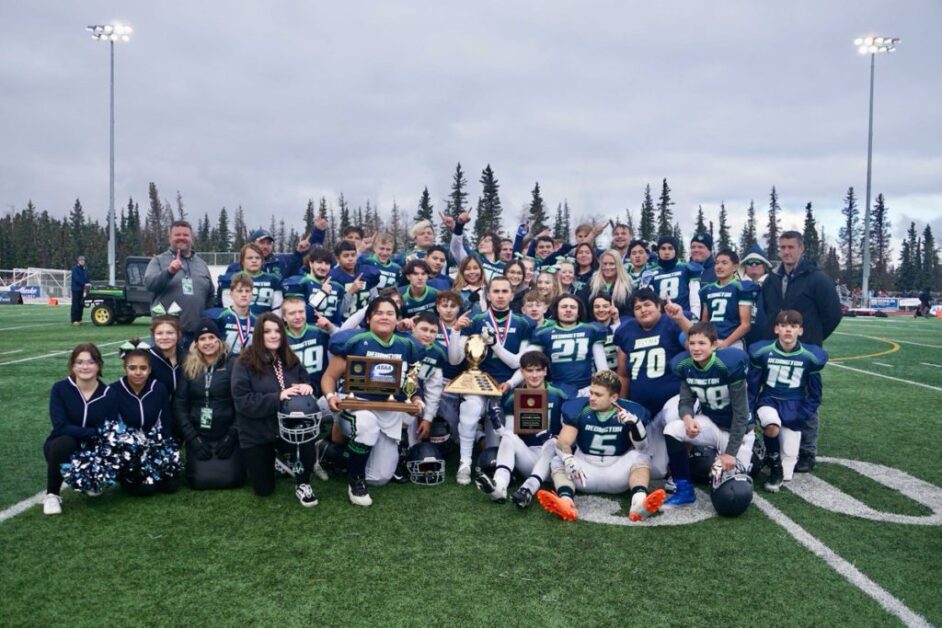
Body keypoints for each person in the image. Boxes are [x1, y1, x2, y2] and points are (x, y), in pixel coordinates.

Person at [320, 297, 424, 506]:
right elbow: (329, 376)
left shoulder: (406, 344)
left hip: (388, 409)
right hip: (356, 406)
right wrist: (331, 396)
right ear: (369, 318)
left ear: (397, 319)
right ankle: (355, 480)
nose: (385, 317)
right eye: (379, 313)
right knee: (366, 425)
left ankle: (331, 451)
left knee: (379, 477)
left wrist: (416, 399)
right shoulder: (355, 341)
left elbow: (411, 382)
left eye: (390, 313)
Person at [536, 370, 666, 522]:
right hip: (584, 473)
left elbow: (641, 447)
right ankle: (566, 502)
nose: (591, 398)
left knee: (642, 456)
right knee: (558, 460)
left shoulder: (630, 412)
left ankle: (638, 503)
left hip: (617, 472)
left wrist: (635, 425)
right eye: (591, 393)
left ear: (614, 397)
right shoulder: (579, 409)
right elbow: (563, 442)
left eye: (598, 395)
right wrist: (568, 458)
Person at [762, 230, 841, 473]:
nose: (786, 251)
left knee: (806, 398)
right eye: (783, 247)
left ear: (801, 249)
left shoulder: (817, 279)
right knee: (776, 397)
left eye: (791, 247)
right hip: (777, 352)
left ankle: (807, 451)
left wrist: (811, 340)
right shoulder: (772, 279)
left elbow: (833, 314)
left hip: (803, 352)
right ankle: (775, 449)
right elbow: (767, 311)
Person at [447, 276, 535, 485]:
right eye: (496, 291)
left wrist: (511, 382)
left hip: (508, 385)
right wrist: (455, 330)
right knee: (470, 410)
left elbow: (521, 363)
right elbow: (454, 359)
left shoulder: (524, 323)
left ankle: (499, 466)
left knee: (501, 439)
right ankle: (465, 462)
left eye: (505, 291)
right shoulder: (476, 320)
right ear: (488, 295)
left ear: (512, 295)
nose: (500, 296)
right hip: (478, 382)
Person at [231, 313, 318, 506]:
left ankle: (303, 482)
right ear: (258, 335)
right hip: (257, 432)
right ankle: (275, 461)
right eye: (267, 331)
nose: (273, 335)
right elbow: (243, 402)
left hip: (288, 428)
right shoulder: (244, 362)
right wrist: (278, 397)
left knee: (306, 437)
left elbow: (306, 380)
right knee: (264, 490)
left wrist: (308, 387)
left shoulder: (290, 357)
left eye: (278, 330)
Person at [662, 322, 752, 509]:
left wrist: (730, 453)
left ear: (714, 345)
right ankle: (684, 489)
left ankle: (753, 458)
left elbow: (741, 414)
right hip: (712, 424)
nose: (696, 348)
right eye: (692, 343)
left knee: (733, 493)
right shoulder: (686, 366)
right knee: (672, 429)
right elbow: (685, 401)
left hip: (738, 432)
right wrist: (687, 419)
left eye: (702, 343)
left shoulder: (727, 365)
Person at [614, 288, 693, 480]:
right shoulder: (626, 331)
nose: (643, 310)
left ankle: (683, 471)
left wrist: (681, 319)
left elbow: (698, 344)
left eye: (647, 304)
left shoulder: (672, 323)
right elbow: (623, 374)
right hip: (644, 407)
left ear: (659, 306)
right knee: (657, 470)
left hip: (673, 399)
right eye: (638, 307)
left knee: (676, 419)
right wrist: (622, 404)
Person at [748, 311, 828, 490]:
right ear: (776, 329)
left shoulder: (811, 356)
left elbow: (815, 395)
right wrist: (750, 414)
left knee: (789, 474)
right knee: (771, 426)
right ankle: (775, 466)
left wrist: (801, 416)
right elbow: (753, 387)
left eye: (793, 326)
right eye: (783, 326)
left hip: (795, 405)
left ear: (800, 331)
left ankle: (770, 455)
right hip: (769, 400)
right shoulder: (762, 351)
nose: (788, 330)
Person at [475, 351, 566, 508]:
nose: (534, 375)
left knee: (552, 442)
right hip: (528, 457)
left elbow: (569, 433)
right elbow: (510, 433)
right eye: (529, 370)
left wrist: (552, 437)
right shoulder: (514, 397)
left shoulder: (559, 394)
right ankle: (500, 485)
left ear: (545, 371)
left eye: (538, 370)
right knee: (508, 436)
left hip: (554, 461)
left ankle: (528, 489)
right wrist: (498, 428)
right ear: (522, 372)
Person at [43, 344, 116, 515]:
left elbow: (109, 427)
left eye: (91, 362)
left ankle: (91, 479)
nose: (85, 367)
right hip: (62, 446)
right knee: (65, 442)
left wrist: (98, 437)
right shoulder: (60, 389)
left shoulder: (108, 393)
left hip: (94, 448)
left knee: (111, 444)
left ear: (99, 365)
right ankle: (52, 495)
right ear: (72, 366)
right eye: (79, 362)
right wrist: (93, 433)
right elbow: (60, 426)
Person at [174, 319, 245, 490]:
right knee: (199, 481)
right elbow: (180, 405)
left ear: (219, 340)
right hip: (200, 434)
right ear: (196, 343)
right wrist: (193, 439)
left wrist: (232, 436)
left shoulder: (233, 364)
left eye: (211, 337)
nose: (207, 342)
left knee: (233, 480)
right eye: (202, 338)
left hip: (226, 433)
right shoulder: (188, 366)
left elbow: (242, 403)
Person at [107, 339, 180, 496]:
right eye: (132, 368)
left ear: (150, 369)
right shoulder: (113, 390)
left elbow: (165, 422)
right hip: (129, 449)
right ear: (125, 368)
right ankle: (125, 474)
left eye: (143, 368)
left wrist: (163, 448)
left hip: (154, 446)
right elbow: (112, 428)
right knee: (145, 490)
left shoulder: (158, 388)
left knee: (170, 486)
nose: (138, 372)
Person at [523, 295, 608, 398]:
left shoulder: (592, 330)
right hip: (556, 390)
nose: (568, 310)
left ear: (579, 311)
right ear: (556, 310)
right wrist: (511, 383)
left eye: (572, 307)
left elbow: (602, 367)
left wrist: (598, 389)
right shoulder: (544, 333)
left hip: (586, 389)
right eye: (564, 307)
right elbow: (524, 361)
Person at [144, 220, 215, 340]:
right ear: (170, 238)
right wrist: (169, 272)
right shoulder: (158, 261)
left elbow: (210, 296)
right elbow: (149, 284)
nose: (182, 238)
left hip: (197, 335)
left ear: (191, 238)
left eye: (185, 235)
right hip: (167, 335)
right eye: (177, 235)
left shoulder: (202, 264)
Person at [699, 249, 754, 349]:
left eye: (724, 263)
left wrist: (725, 343)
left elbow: (745, 325)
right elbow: (705, 322)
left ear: (735, 267)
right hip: (711, 341)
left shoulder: (741, 287)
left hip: (733, 341)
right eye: (717, 263)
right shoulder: (707, 289)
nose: (719, 266)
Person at [219, 243, 284, 315]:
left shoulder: (273, 280)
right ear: (242, 261)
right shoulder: (231, 279)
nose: (254, 261)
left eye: (257, 258)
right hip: (239, 323)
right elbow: (229, 309)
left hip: (265, 323)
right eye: (250, 258)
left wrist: (270, 324)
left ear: (262, 261)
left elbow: (277, 309)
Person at [648, 234, 701, 315]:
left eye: (670, 248)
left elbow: (695, 299)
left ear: (676, 250)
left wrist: (694, 318)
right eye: (663, 248)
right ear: (658, 251)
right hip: (661, 319)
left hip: (683, 317)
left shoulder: (686, 268)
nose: (666, 252)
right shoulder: (652, 272)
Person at [579, 249, 633, 318]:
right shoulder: (592, 283)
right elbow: (583, 306)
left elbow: (628, 311)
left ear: (618, 265)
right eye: (604, 264)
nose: (607, 267)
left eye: (611, 264)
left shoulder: (627, 285)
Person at [740, 244, 774, 346]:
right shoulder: (737, 286)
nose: (754, 265)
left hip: (768, 337)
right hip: (741, 338)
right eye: (750, 262)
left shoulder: (774, 284)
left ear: (765, 265)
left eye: (758, 262)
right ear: (744, 266)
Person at [214, 273, 256, 355]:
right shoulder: (220, 318)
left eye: (247, 291)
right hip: (225, 365)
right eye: (239, 291)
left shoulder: (257, 321)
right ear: (231, 294)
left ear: (252, 294)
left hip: (248, 365)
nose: (244, 295)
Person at [70, 255, 91, 326]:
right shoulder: (75, 269)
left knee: (81, 304)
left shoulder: (85, 269)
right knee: (76, 305)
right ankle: (74, 320)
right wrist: (84, 284)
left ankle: (79, 319)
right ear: (78, 261)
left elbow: (87, 278)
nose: (82, 261)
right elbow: (77, 279)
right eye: (81, 260)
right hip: (76, 289)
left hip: (82, 289)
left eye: (83, 260)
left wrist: (89, 283)